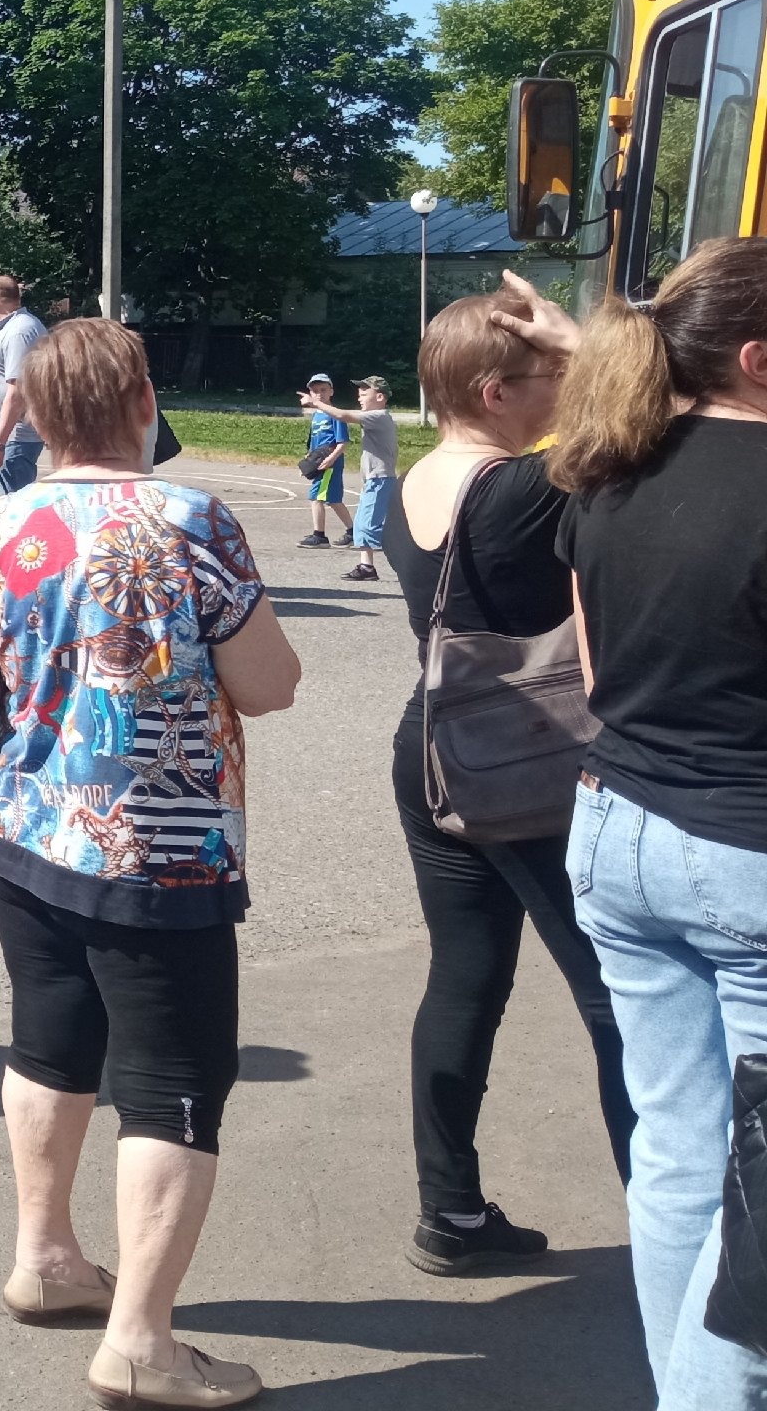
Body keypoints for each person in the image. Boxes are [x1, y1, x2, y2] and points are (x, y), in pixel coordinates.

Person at [0, 317, 301, 1410]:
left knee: (50, 1035)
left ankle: (46, 1258)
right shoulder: (193, 521)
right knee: (174, 1085)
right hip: (158, 843)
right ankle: (141, 1343)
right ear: (143, 404)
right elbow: (266, 682)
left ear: (27, 412)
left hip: (24, 824)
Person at [371, 282, 633, 1279]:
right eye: (549, 377)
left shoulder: (410, 488)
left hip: (435, 748)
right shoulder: (523, 489)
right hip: (528, 756)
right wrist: (592, 341)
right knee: (615, 994)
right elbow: (649, 417)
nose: (566, 387)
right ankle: (675, 1232)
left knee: (464, 975)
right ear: (493, 391)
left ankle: (451, 1211)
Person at [548, 236, 767, 1409]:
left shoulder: (610, 467)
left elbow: (595, 676)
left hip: (617, 830)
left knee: (680, 1154)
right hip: (745, 857)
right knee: (761, 1198)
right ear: (757, 357)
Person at [301, 375, 400, 580]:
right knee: (363, 526)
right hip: (373, 480)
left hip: (380, 479)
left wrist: (316, 402)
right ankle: (367, 568)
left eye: (364, 394)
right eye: (359, 394)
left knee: (370, 527)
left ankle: (415, 555)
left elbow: (342, 415)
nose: (360, 398)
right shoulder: (374, 416)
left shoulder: (379, 416)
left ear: (380, 397)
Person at [0, 275, 49, 491]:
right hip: (10, 437)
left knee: (13, 510)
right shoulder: (16, 326)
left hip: (14, 439)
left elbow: (17, 393)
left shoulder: (19, 332)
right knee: (9, 506)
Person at [298, 372, 350, 547]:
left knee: (316, 497)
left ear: (331, 391)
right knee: (334, 500)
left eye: (323, 389)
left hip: (329, 464)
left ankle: (319, 536)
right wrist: (307, 463)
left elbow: (342, 443)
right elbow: (314, 444)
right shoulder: (317, 415)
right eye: (315, 391)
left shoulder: (335, 415)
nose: (319, 393)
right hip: (319, 462)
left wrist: (330, 460)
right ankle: (353, 532)